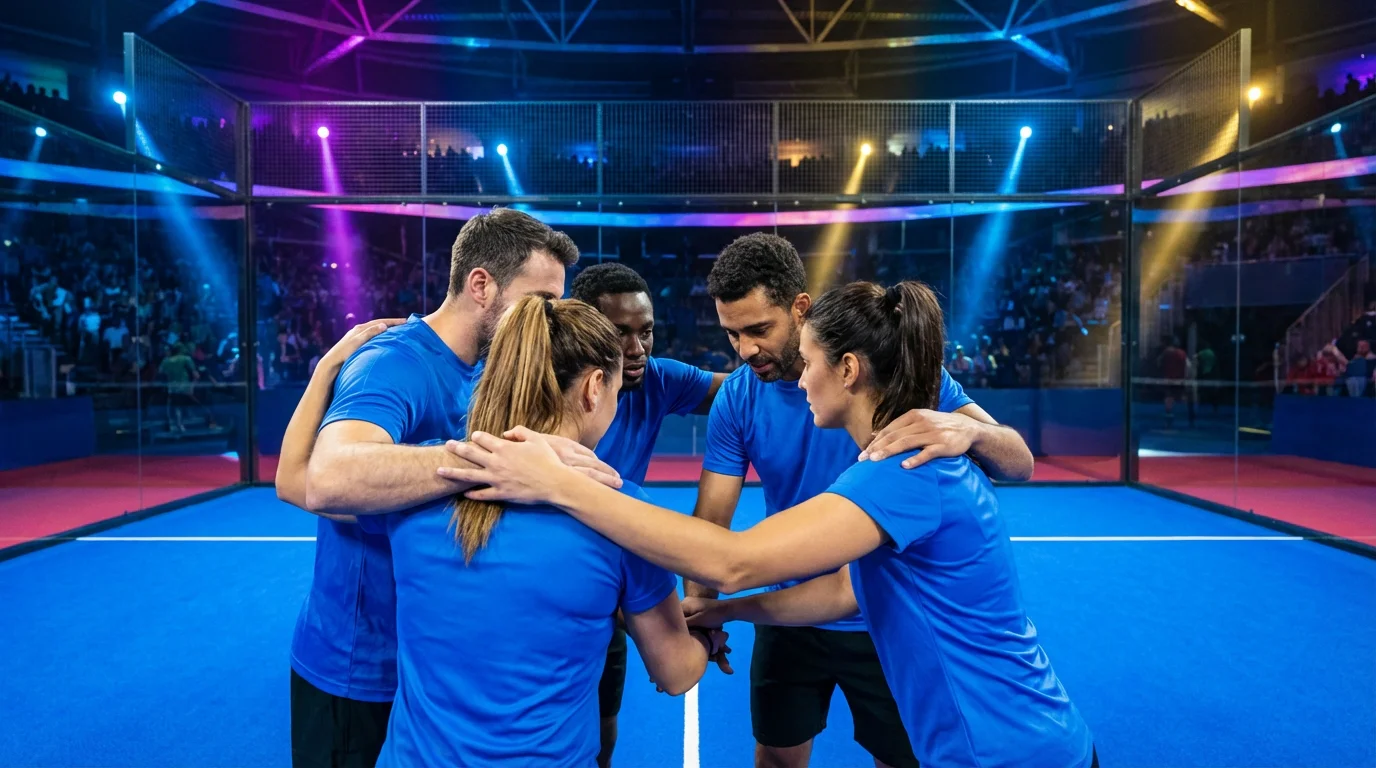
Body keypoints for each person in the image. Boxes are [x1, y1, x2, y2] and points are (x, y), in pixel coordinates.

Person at [446, 280, 1097, 768]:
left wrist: (560, 482)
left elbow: (734, 560)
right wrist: (729, 615)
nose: (798, 379)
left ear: (847, 370)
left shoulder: (902, 473)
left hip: (1004, 751)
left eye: (809, 362)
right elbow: (844, 590)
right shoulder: (888, 465)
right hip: (1003, 741)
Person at [276, 208, 620, 768]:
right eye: (539, 300)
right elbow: (324, 480)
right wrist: (489, 462)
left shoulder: (493, 373)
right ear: (481, 285)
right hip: (362, 667)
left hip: (440, 672)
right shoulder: (393, 364)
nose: (547, 318)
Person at [686, 233, 1034, 768]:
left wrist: (969, 432)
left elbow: (1019, 461)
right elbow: (713, 521)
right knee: (777, 757)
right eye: (732, 334)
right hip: (793, 612)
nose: (746, 349)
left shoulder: (901, 392)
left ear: (800, 309)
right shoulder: (739, 397)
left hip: (880, 618)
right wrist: (704, 609)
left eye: (759, 330)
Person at [361, 295, 728, 766]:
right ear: (594, 388)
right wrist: (706, 638)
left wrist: (332, 365)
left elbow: (307, 482)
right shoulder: (621, 513)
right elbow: (675, 672)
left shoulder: (415, 480)